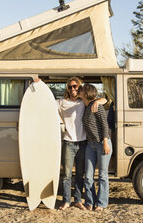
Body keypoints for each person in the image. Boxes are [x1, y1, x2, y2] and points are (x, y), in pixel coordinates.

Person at [53, 77, 106, 211]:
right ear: (67, 88)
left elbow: (104, 99)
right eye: (70, 87)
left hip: (83, 143)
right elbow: (46, 103)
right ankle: (66, 201)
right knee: (66, 174)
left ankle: (77, 200)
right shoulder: (61, 102)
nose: (73, 89)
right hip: (68, 142)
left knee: (81, 174)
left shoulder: (83, 102)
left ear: (80, 88)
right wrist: (38, 84)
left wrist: (99, 100)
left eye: (75, 86)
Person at [80, 83, 112, 212]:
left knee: (103, 175)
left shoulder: (96, 106)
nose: (78, 91)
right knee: (88, 176)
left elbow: (104, 125)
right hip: (90, 144)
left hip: (102, 143)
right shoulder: (86, 105)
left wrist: (105, 142)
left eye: (81, 89)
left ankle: (101, 204)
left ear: (87, 92)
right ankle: (89, 201)